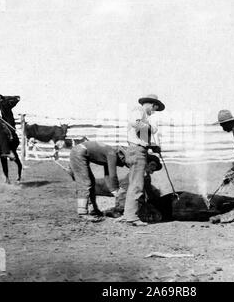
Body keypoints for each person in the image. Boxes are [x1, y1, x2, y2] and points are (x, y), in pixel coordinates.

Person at [123, 94, 165, 226]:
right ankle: (132, 217)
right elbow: (135, 124)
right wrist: (151, 128)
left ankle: (128, 214)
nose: (153, 112)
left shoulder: (143, 115)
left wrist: (153, 146)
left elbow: (140, 138)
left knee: (134, 184)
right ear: (152, 105)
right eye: (154, 109)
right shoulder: (139, 110)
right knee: (137, 185)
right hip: (137, 151)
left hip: (137, 149)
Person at [69, 140, 128, 218]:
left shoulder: (111, 153)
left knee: (92, 182)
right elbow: (113, 175)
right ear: (121, 155)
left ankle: (94, 209)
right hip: (79, 152)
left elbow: (107, 175)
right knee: (85, 183)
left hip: (80, 151)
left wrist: (113, 190)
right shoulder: (112, 154)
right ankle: (82, 212)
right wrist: (116, 190)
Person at [96, 154, 163, 219]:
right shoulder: (142, 174)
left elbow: (148, 192)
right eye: (152, 169)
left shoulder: (141, 173)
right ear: (150, 164)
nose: (152, 172)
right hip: (125, 198)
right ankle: (113, 211)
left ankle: (117, 211)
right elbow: (149, 193)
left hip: (130, 198)